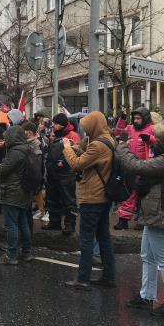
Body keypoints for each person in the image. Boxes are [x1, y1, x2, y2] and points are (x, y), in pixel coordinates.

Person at [118, 121, 164, 318]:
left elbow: (136, 165)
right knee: (147, 257)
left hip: (161, 214)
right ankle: (146, 296)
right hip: (154, 213)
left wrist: (123, 145)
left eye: (159, 137)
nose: (155, 140)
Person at [60, 111, 116, 289]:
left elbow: (77, 164)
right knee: (103, 236)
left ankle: (83, 278)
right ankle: (108, 276)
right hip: (105, 195)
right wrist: (75, 147)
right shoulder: (107, 139)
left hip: (92, 196)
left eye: (86, 127)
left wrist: (67, 149)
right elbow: (88, 157)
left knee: (86, 238)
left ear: (94, 125)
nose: (84, 130)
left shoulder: (98, 145)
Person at [0, 125, 33, 265]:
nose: (5, 139)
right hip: (23, 191)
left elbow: (4, 170)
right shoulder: (26, 148)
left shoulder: (15, 152)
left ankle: (11, 255)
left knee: (11, 225)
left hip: (12, 191)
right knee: (23, 223)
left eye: (7, 136)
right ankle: (27, 252)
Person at [114, 107, 157, 230]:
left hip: (146, 168)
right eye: (134, 118)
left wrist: (150, 139)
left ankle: (142, 221)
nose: (136, 120)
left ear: (145, 118)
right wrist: (122, 118)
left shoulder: (152, 129)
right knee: (129, 194)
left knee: (144, 196)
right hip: (130, 167)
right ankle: (123, 220)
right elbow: (118, 132)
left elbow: (160, 142)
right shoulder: (130, 128)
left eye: (138, 118)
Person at [43, 112, 81, 236]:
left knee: (68, 199)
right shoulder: (55, 135)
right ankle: (54, 222)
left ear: (62, 124)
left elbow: (77, 153)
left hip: (66, 173)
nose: (53, 125)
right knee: (52, 197)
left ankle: (70, 225)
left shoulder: (73, 135)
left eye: (56, 123)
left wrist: (63, 162)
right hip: (53, 172)